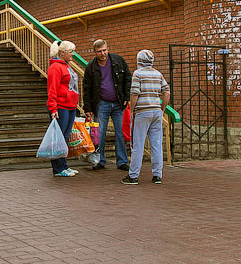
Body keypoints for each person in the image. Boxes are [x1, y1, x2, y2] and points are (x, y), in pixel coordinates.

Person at [82, 39, 132, 170]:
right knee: (100, 133)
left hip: (118, 103)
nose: (102, 53)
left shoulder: (118, 61)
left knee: (120, 133)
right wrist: (87, 108)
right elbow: (86, 88)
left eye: (104, 50)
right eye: (99, 52)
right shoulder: (91, 66)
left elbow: (128, 78)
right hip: (101, 103)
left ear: (108, 49)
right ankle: (100, 160)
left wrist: (127, 96)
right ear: (95, 52)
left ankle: (121, 161)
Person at [123, 49, 170, 185]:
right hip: (156, 112)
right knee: (156, 144)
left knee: (138, 144)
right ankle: (157, 175)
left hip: (142, 112)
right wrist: (162, 109)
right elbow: (167, 93)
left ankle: (133, 176)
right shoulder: (158, 74)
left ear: (139, 61)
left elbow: (134, 93)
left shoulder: (138, 74)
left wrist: (132, 110)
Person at [46, 39, 80, 177]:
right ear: (62, 53)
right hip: (61, 106)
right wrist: (53, 108)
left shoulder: (66, 66)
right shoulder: (55, 67)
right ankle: (58, 168)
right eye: (70, 52)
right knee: (59, 138)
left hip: (70, 106)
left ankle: (63, 166)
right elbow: (52, 89)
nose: (73, 54)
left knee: (64, 137)